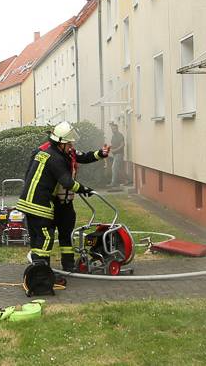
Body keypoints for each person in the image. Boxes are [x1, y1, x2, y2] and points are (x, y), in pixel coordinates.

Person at [17, 122, 109, 293]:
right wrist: (84, 189)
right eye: (69, 143)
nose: (71, 146)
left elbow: (83, 157)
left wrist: (100, 154)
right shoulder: (55, 157)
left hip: (30, 202)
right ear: (61, 143)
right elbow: (67, 182)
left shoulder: (49, 153)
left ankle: (41, 272)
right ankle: (41, 276)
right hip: (40, 203)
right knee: (46, 238)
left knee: (39, 240)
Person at [109, 122, 128, 188]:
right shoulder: (113, 136)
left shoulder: (120, 135)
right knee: (120, 169)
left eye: (114, 129)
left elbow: (122, 145)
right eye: (112, 129)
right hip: (115, 154)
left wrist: (115, 150)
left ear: (117, 129)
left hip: (119, 154)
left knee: (114, 168)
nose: (113, 130)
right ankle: (127, 180)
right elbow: (113, 144)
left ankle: (113, 183)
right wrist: (110, 148)